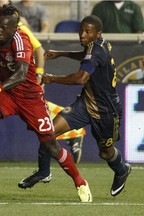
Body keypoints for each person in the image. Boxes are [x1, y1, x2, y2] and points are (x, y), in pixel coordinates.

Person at [0, 4, 92, 202]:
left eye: (4, 28)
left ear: (15, 28)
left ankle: (80, 182)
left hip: (30, 99)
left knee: (51, 147)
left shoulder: (22, 41)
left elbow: (20, 74)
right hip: (10, 95)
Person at [38, 15, 131, 197]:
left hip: (105, 111)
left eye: (87, 32)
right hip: (85, 104)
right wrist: (61, 53)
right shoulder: (98, 44)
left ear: (98, 34)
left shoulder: (96, 50)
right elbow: (87, 56)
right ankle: (44, 173)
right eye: (81, 30)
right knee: (49, 133)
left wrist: (53, 78)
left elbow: (81, 78)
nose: (82, 34)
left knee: (105, 153)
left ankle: (122, 170)